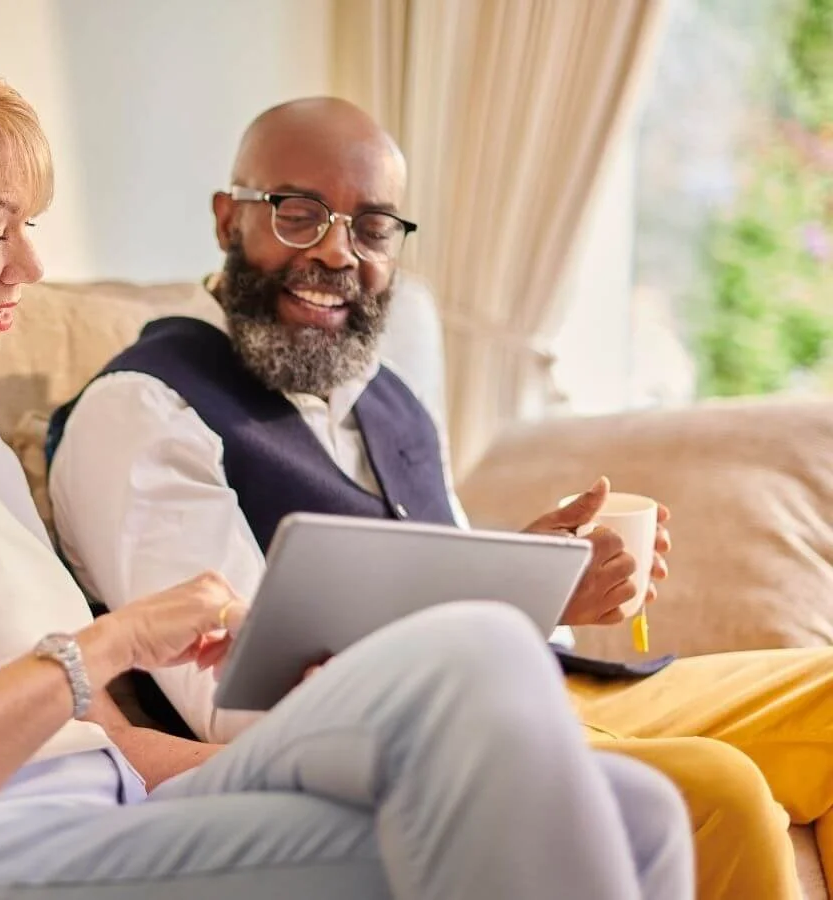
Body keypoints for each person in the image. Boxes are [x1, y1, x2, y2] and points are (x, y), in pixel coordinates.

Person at [0, 40, 693, 900]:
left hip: (112, 806)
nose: (29, 269)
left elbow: (106, 749)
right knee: (475, 657)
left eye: (27, 228)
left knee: (638, 808)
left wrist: (307, 754)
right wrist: (110, 644)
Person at [48, 96, 833, 900]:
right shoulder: (145, 409)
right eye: (298, 213)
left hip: (544, 689)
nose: (337, 251)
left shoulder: (386, 395)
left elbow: (461, 586)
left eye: (373, 225)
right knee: (717, 787)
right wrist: (513, 591)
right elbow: (242, 700)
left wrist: (550, 575)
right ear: (228, 220)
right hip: (421, 742)